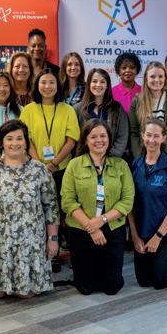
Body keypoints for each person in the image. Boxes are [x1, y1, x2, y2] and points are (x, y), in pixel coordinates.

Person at [0, 120, 59, 299]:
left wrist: (52, 239)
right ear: (1, 142)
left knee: (27, 294)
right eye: (9, 138)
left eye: (19, 138)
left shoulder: (39, 170)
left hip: (29, 243)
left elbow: (51, 207)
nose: (14, 143)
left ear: (26, 142)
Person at [60, 119, 135, 295]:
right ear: (85, 140)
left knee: (112, 287)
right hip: (81, 229)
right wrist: (91, 227)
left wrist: (101, 220)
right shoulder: (74, 165)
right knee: (86, 288)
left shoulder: (121, 165)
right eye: (93, 137)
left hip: (112, 227)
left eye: (103, 136)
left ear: (109, 139)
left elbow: (127, 201)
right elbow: (68, 201)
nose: (99, 140)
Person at [128, 119, 167, 289]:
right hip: (142, 232)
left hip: (165, 234)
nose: (151, 140)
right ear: (142, 136)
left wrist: (157, 237)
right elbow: (129, 205)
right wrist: (135, 237)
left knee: (159, 281)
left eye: (156, 136)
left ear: (163, 138)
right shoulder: (135, 165)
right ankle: (165, 261)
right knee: (144, 281)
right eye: (148, 135)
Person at [19, 69, 81, 193]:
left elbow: (71, 141)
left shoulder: (68, 110)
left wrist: (53, 164)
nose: (47, 86)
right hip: (33, 168)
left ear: (58, 86)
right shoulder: (27, 110)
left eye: (52, 82)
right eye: (43, 82)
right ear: (37, 85)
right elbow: (26, 139)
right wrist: (39, 165)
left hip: (62, 169)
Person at [128, 62, 167, 161]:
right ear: (146, 79)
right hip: (142, 157)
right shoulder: (137, 101)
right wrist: (140, 157)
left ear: (165, 78)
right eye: (152, 77)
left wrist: (162, 156)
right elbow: (134, 133)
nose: (157, 80)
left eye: (160, 76)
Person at [74, 68, 129, 157]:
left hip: (111, 160)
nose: (98, 85)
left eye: (102, 82)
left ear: (107, 85)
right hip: (85, 160)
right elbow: (74, 139)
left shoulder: (117, 109)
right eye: (94, 81)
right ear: (89, 84)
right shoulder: (77, 109)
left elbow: (122, 136)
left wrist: (110, 157)